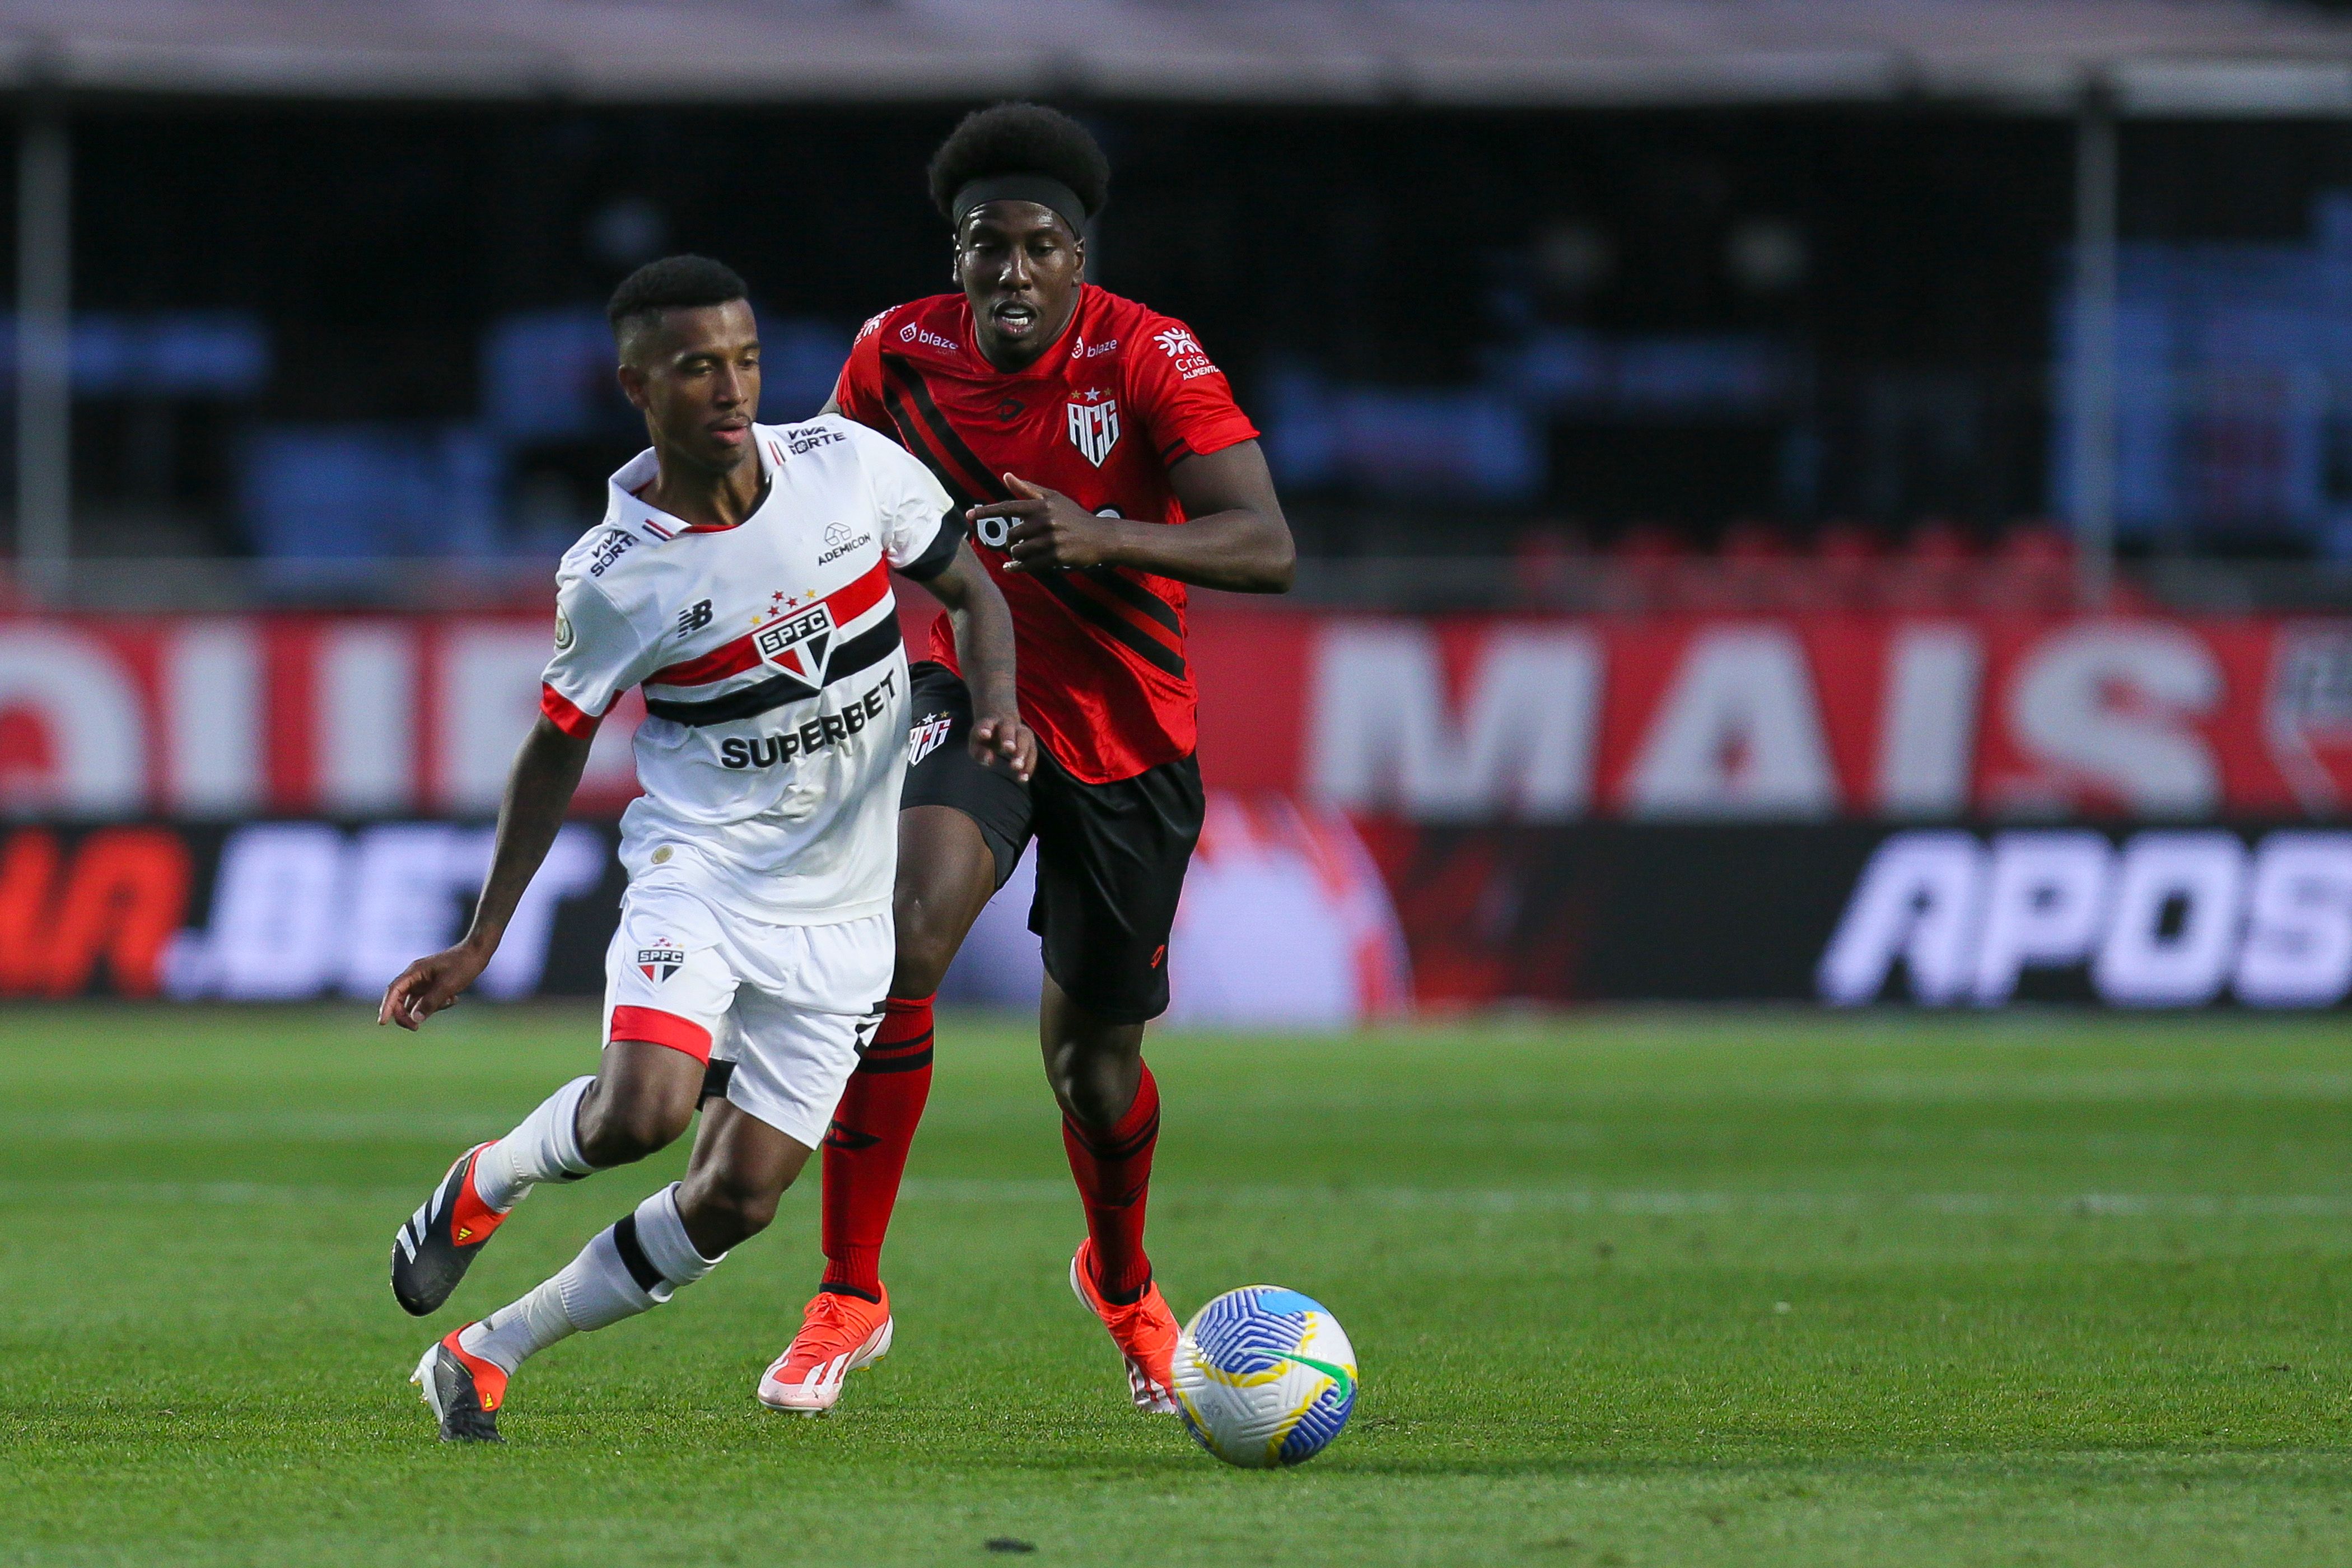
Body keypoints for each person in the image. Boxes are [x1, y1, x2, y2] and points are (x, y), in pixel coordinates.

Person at [380, 254, 1033, 1442]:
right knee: (644, 1114)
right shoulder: (616, 577)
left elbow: (976, 592)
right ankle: (493, 1176)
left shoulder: (849, 467)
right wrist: (484, 935)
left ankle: (487, 1350)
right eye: (696, 367)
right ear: (637, 385)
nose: (730, 388)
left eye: (743, 359)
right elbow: (554, 747)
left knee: (738, 1198)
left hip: (844, 913)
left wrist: (996, 706)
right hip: (706, 871)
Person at [760, 103, 1294, 1416]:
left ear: (1079, 255)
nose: (1010, 271)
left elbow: (1266, 544)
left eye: (1039, 245)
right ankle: (850, 1292)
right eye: (984, 246)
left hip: (1129, 737)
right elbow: (827, 513)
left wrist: (1106, 540)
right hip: (971, 694)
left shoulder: (1151, 356)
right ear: (958, 255)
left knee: (1092, 1064)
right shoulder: (897, 354)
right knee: (899, 949)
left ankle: (1120, 1279)